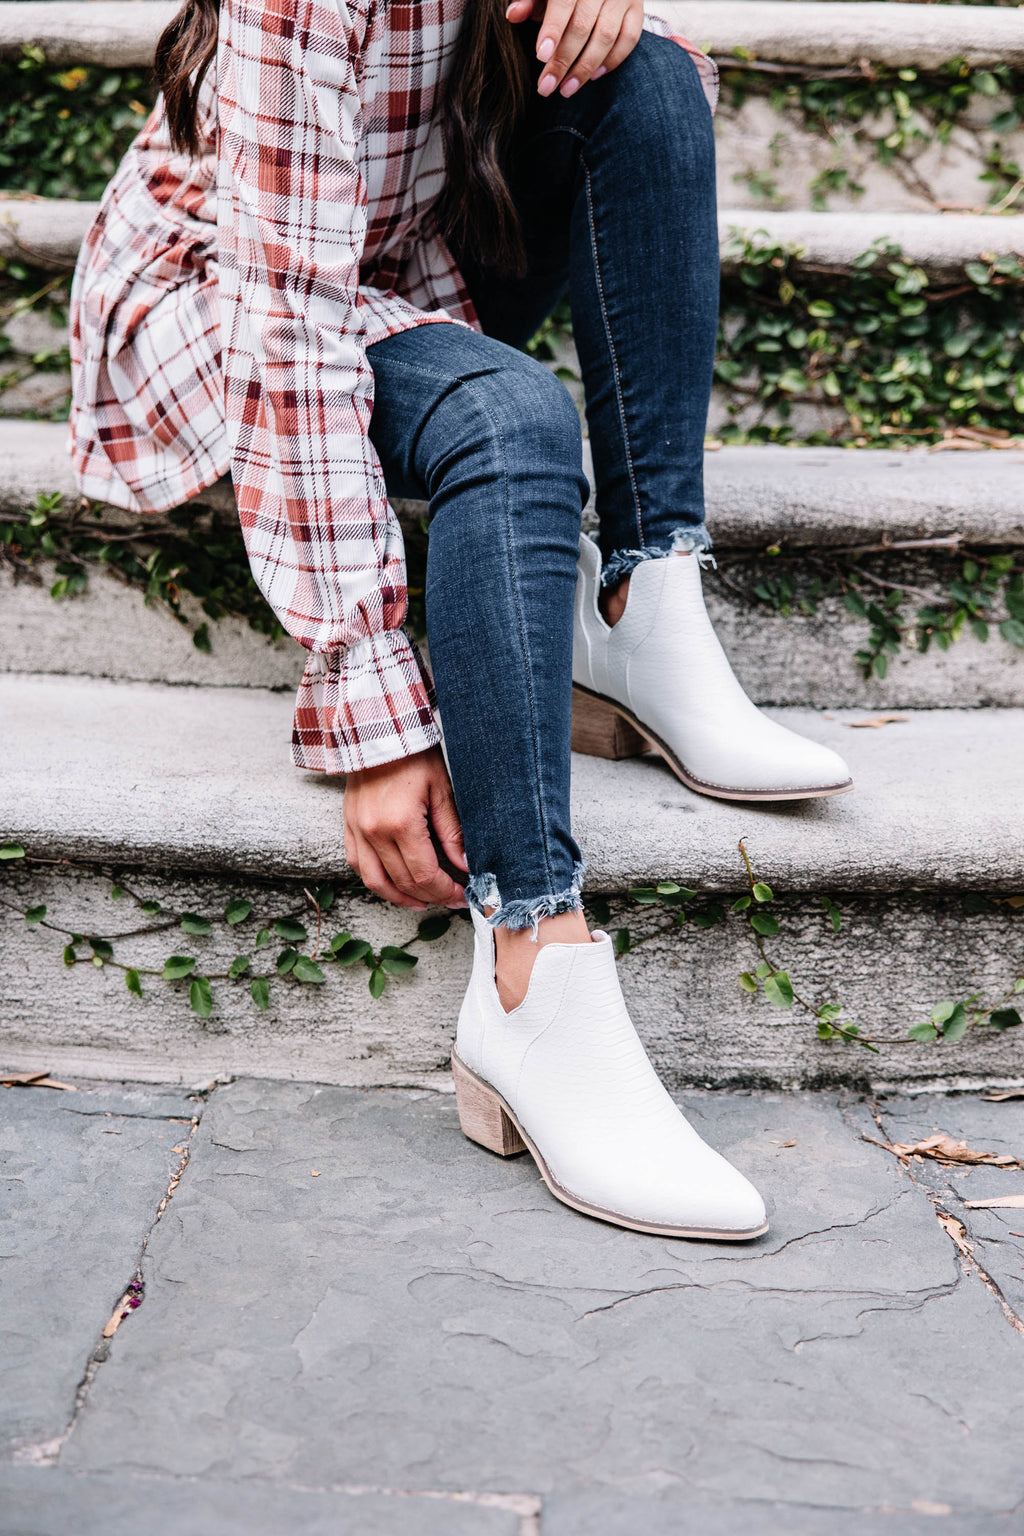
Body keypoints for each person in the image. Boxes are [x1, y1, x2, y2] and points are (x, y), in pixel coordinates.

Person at [70, 0, 853, 1240]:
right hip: (225, 294)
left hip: (419, 244)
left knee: (640, 76)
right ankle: (533, 966)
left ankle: (643, 595)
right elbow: (291, 330)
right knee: (511, 422)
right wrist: (371, 707)